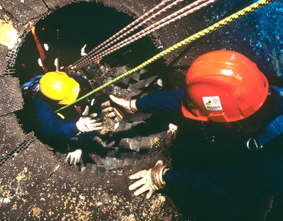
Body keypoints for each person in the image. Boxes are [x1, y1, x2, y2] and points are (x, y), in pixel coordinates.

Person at [101, 50, 282, 217]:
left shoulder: (274, 166)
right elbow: (187, 100)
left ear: (237, 124)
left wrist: (164, 177)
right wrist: (134, 105)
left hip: (253, 178)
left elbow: (226, 184)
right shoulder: (248, 89)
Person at [21, 71, 103, 164]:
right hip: (34, 102)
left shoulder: (75, 83)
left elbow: (94, 109)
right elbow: (51, 127)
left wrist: (81, 144)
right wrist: (76, 127)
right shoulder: (42, 102)